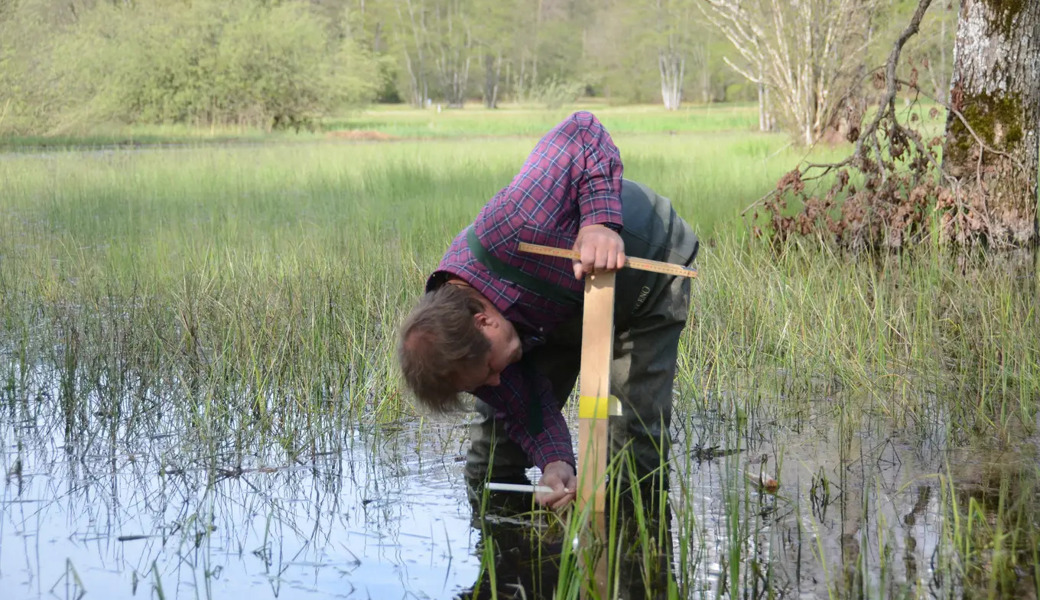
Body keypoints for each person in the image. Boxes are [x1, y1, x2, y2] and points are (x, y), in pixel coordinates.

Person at [398, 111, 698, 510]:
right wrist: (555, 464)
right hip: (552, 314)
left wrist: (598, 225)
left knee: (631, 445)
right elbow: (529, 408)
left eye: (491, 369)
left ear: (483, 321)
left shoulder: (515, 223)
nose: (497, 382)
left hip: (647, 278)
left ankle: (635, 556)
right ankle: (509, 564)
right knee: (493, 456)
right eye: (482, 382)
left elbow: (582, 131)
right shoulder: (474, 351)